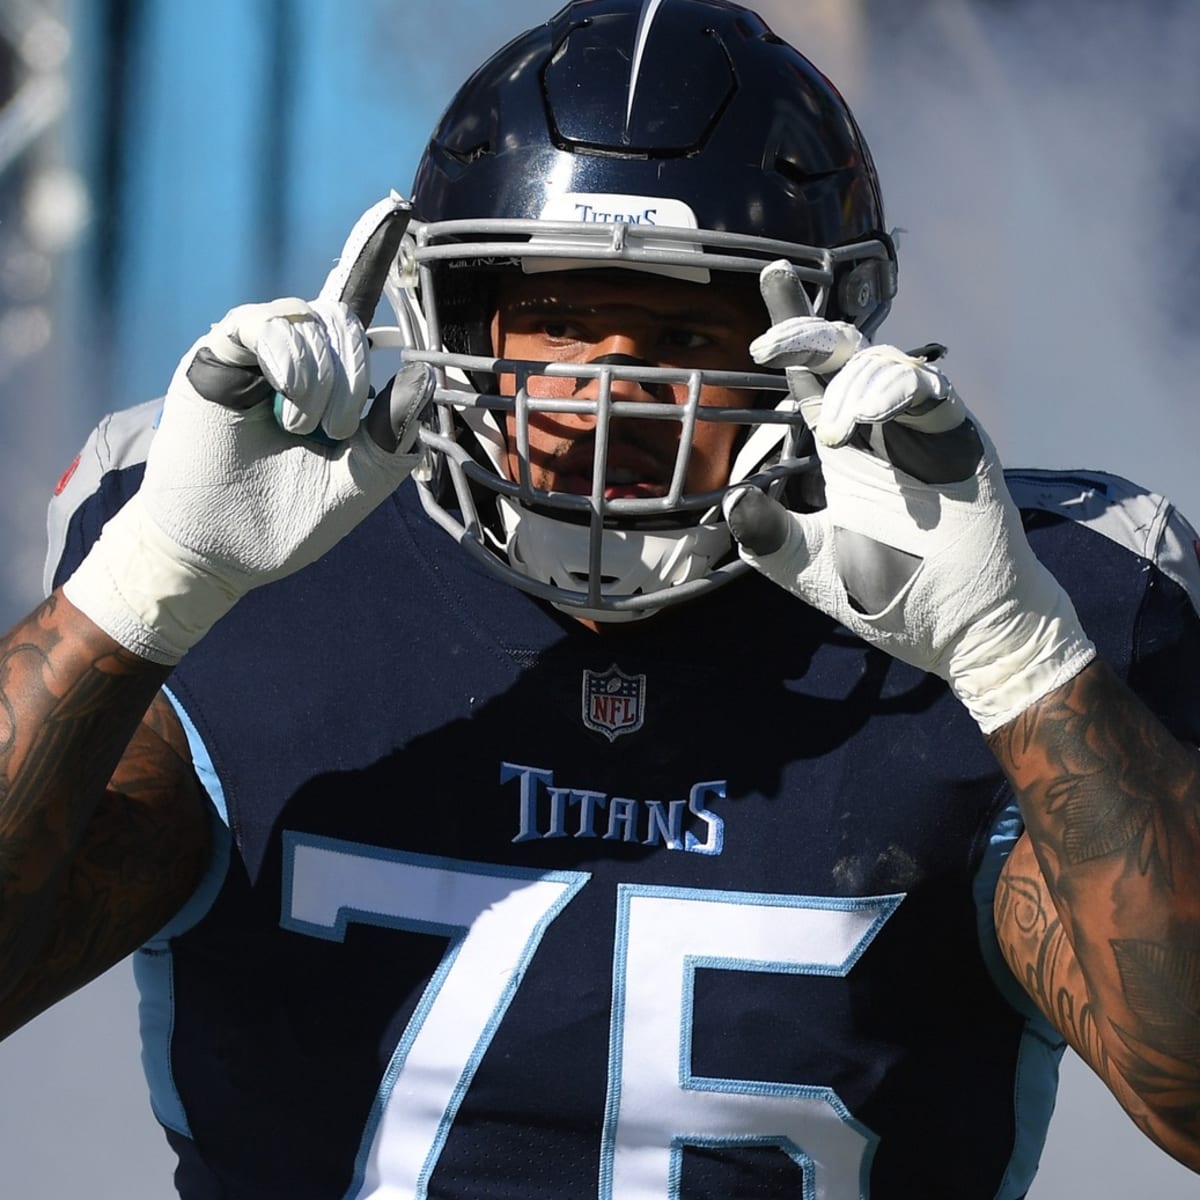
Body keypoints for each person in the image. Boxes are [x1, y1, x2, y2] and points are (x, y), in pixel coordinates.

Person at [3, 0, 1200, 1195]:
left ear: (828, 335)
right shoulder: (251, 578)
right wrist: (141, 590)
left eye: (684, 328)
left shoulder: (1017, 603)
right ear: (447, 310)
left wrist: (1019, 655)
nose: (605, 395)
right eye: (561, 320)